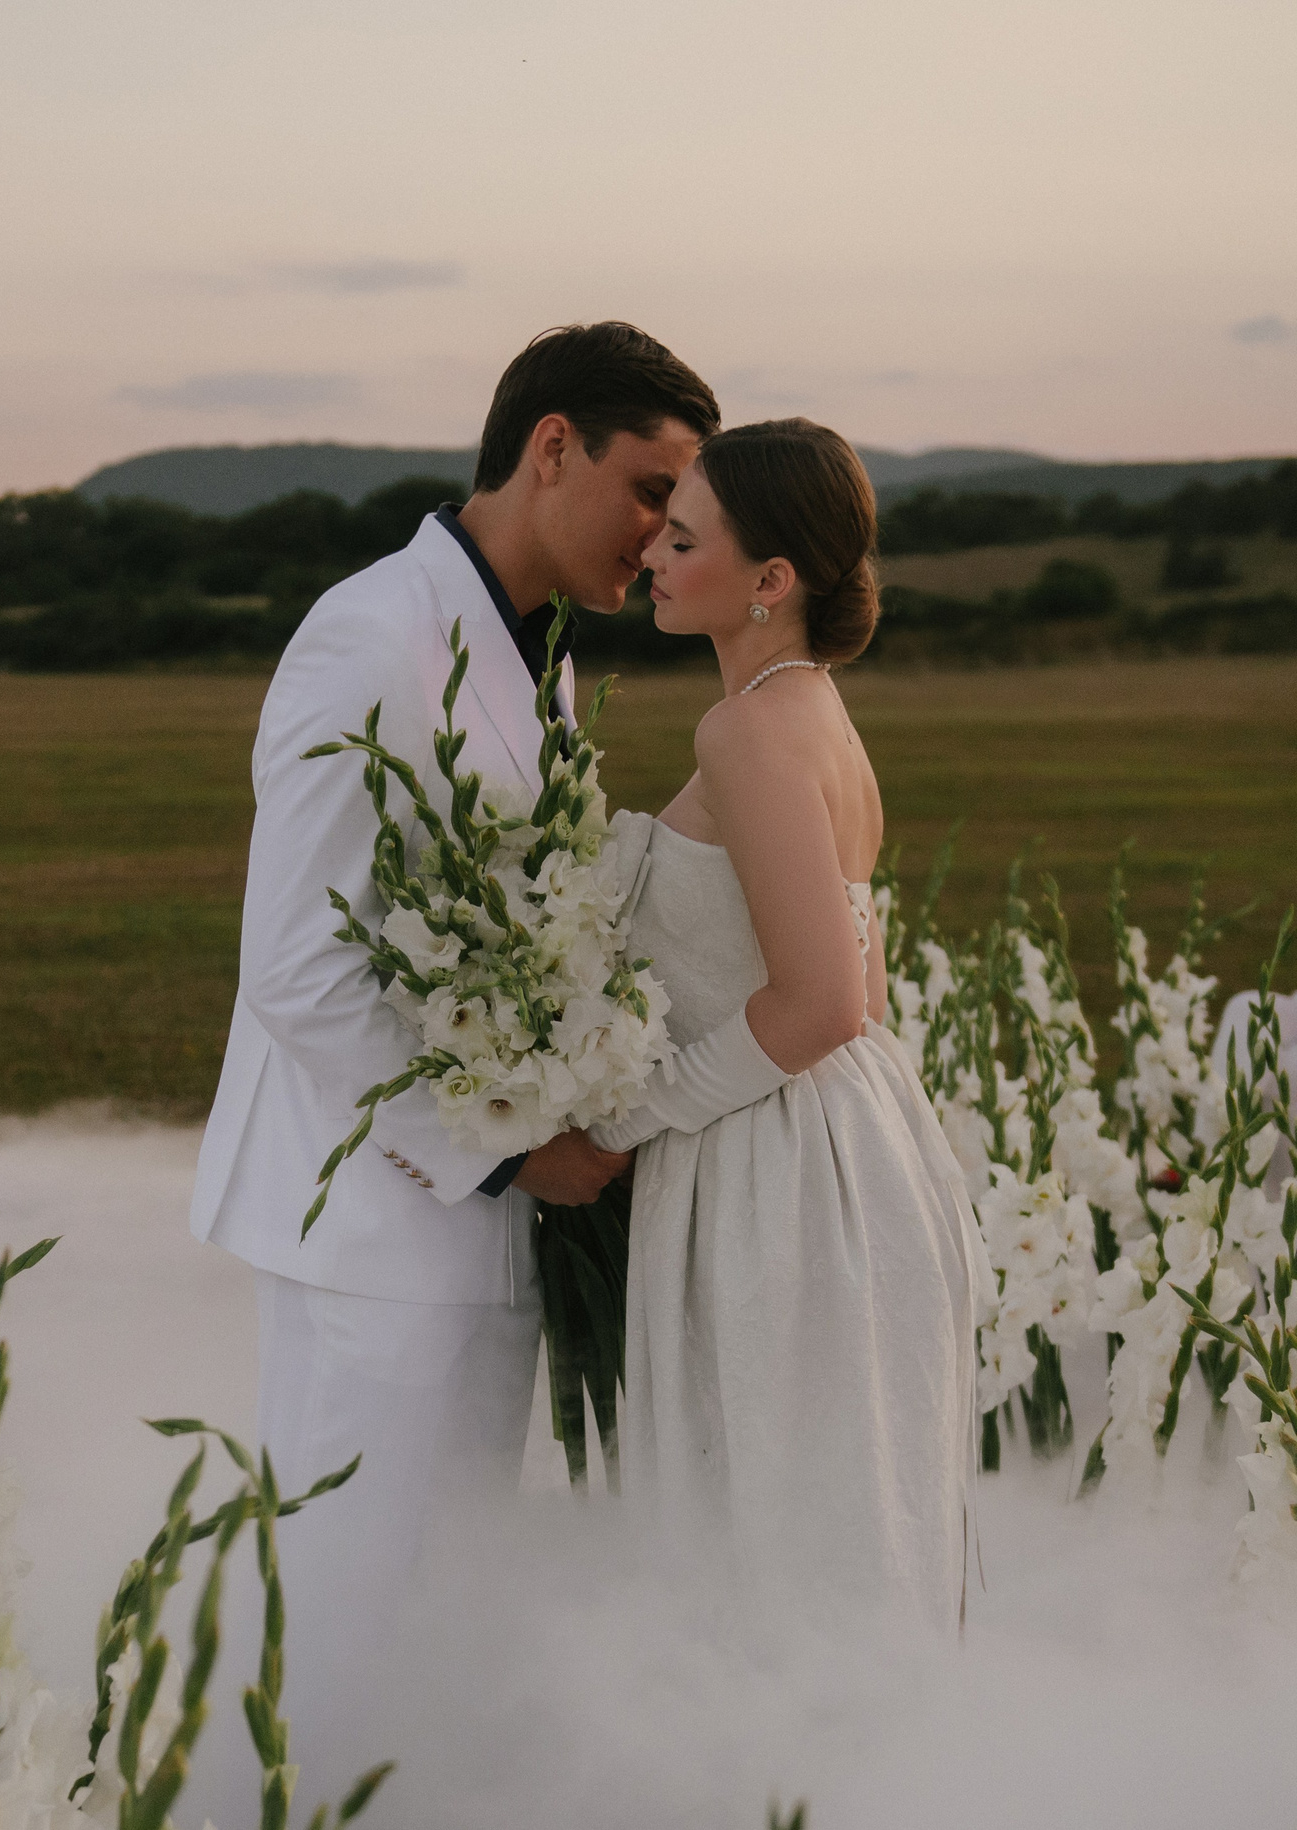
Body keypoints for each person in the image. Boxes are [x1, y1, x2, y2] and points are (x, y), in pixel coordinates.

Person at [188, 323, 718, 1789]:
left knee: (436, 1626)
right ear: (551, 446)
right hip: (371, 1222)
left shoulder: (541, 655)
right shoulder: (371, 630)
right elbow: (295, 962)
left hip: (480, 1230)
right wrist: (506, 1151)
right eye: (649, 488)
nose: (661, 533)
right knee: (338, 1629)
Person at [588, 418, 985, 1629]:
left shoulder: (748, 729)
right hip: (847, 1148)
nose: (651, 553)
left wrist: (621, 1120)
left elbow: (819, 1005)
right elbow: (861, 991)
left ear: (770, 579)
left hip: (774, 1177)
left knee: (767, 1539)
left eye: (684, 539)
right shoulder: (815, 712)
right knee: (836, 1526)